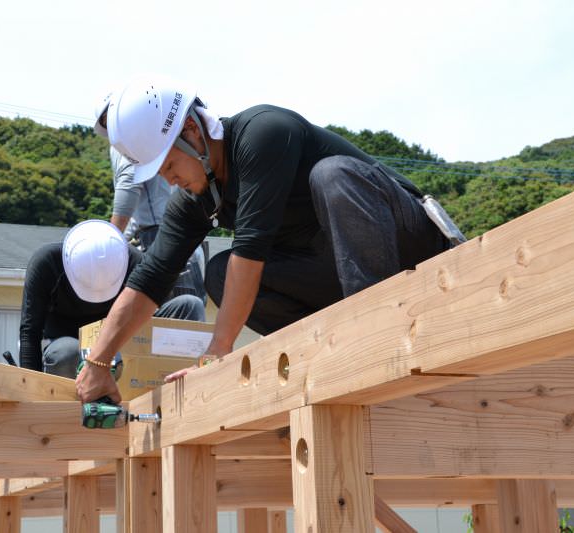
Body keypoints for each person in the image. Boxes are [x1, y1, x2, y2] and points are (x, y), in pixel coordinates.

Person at [76, 76, 458, 403]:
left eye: (170, 165)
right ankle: (327, 352)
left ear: (193, 132)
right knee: (219, 274)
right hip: (339, 276)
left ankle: (371, 340)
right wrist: (98, 362)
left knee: (333, 175)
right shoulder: (196, 198)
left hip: (412, 248)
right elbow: (149, 281)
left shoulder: (262, 133)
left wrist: (214, 359)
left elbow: (251, 249)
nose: (168, 180)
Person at [19, 219, 205, 378]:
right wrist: (30, 387)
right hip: (68, 343)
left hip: (123, 339)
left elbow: (156, 310)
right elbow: (30, 331)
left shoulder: (134, 261)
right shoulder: (47, 264)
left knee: (190, 305)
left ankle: (185, 386)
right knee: (67, 354)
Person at [95, 99, 207, 303]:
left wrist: (109, 244)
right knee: (186, 319)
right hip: (175, 233)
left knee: (180, 318)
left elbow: (129, 187)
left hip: (161, 236)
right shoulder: (147, 132)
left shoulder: (129, 138)